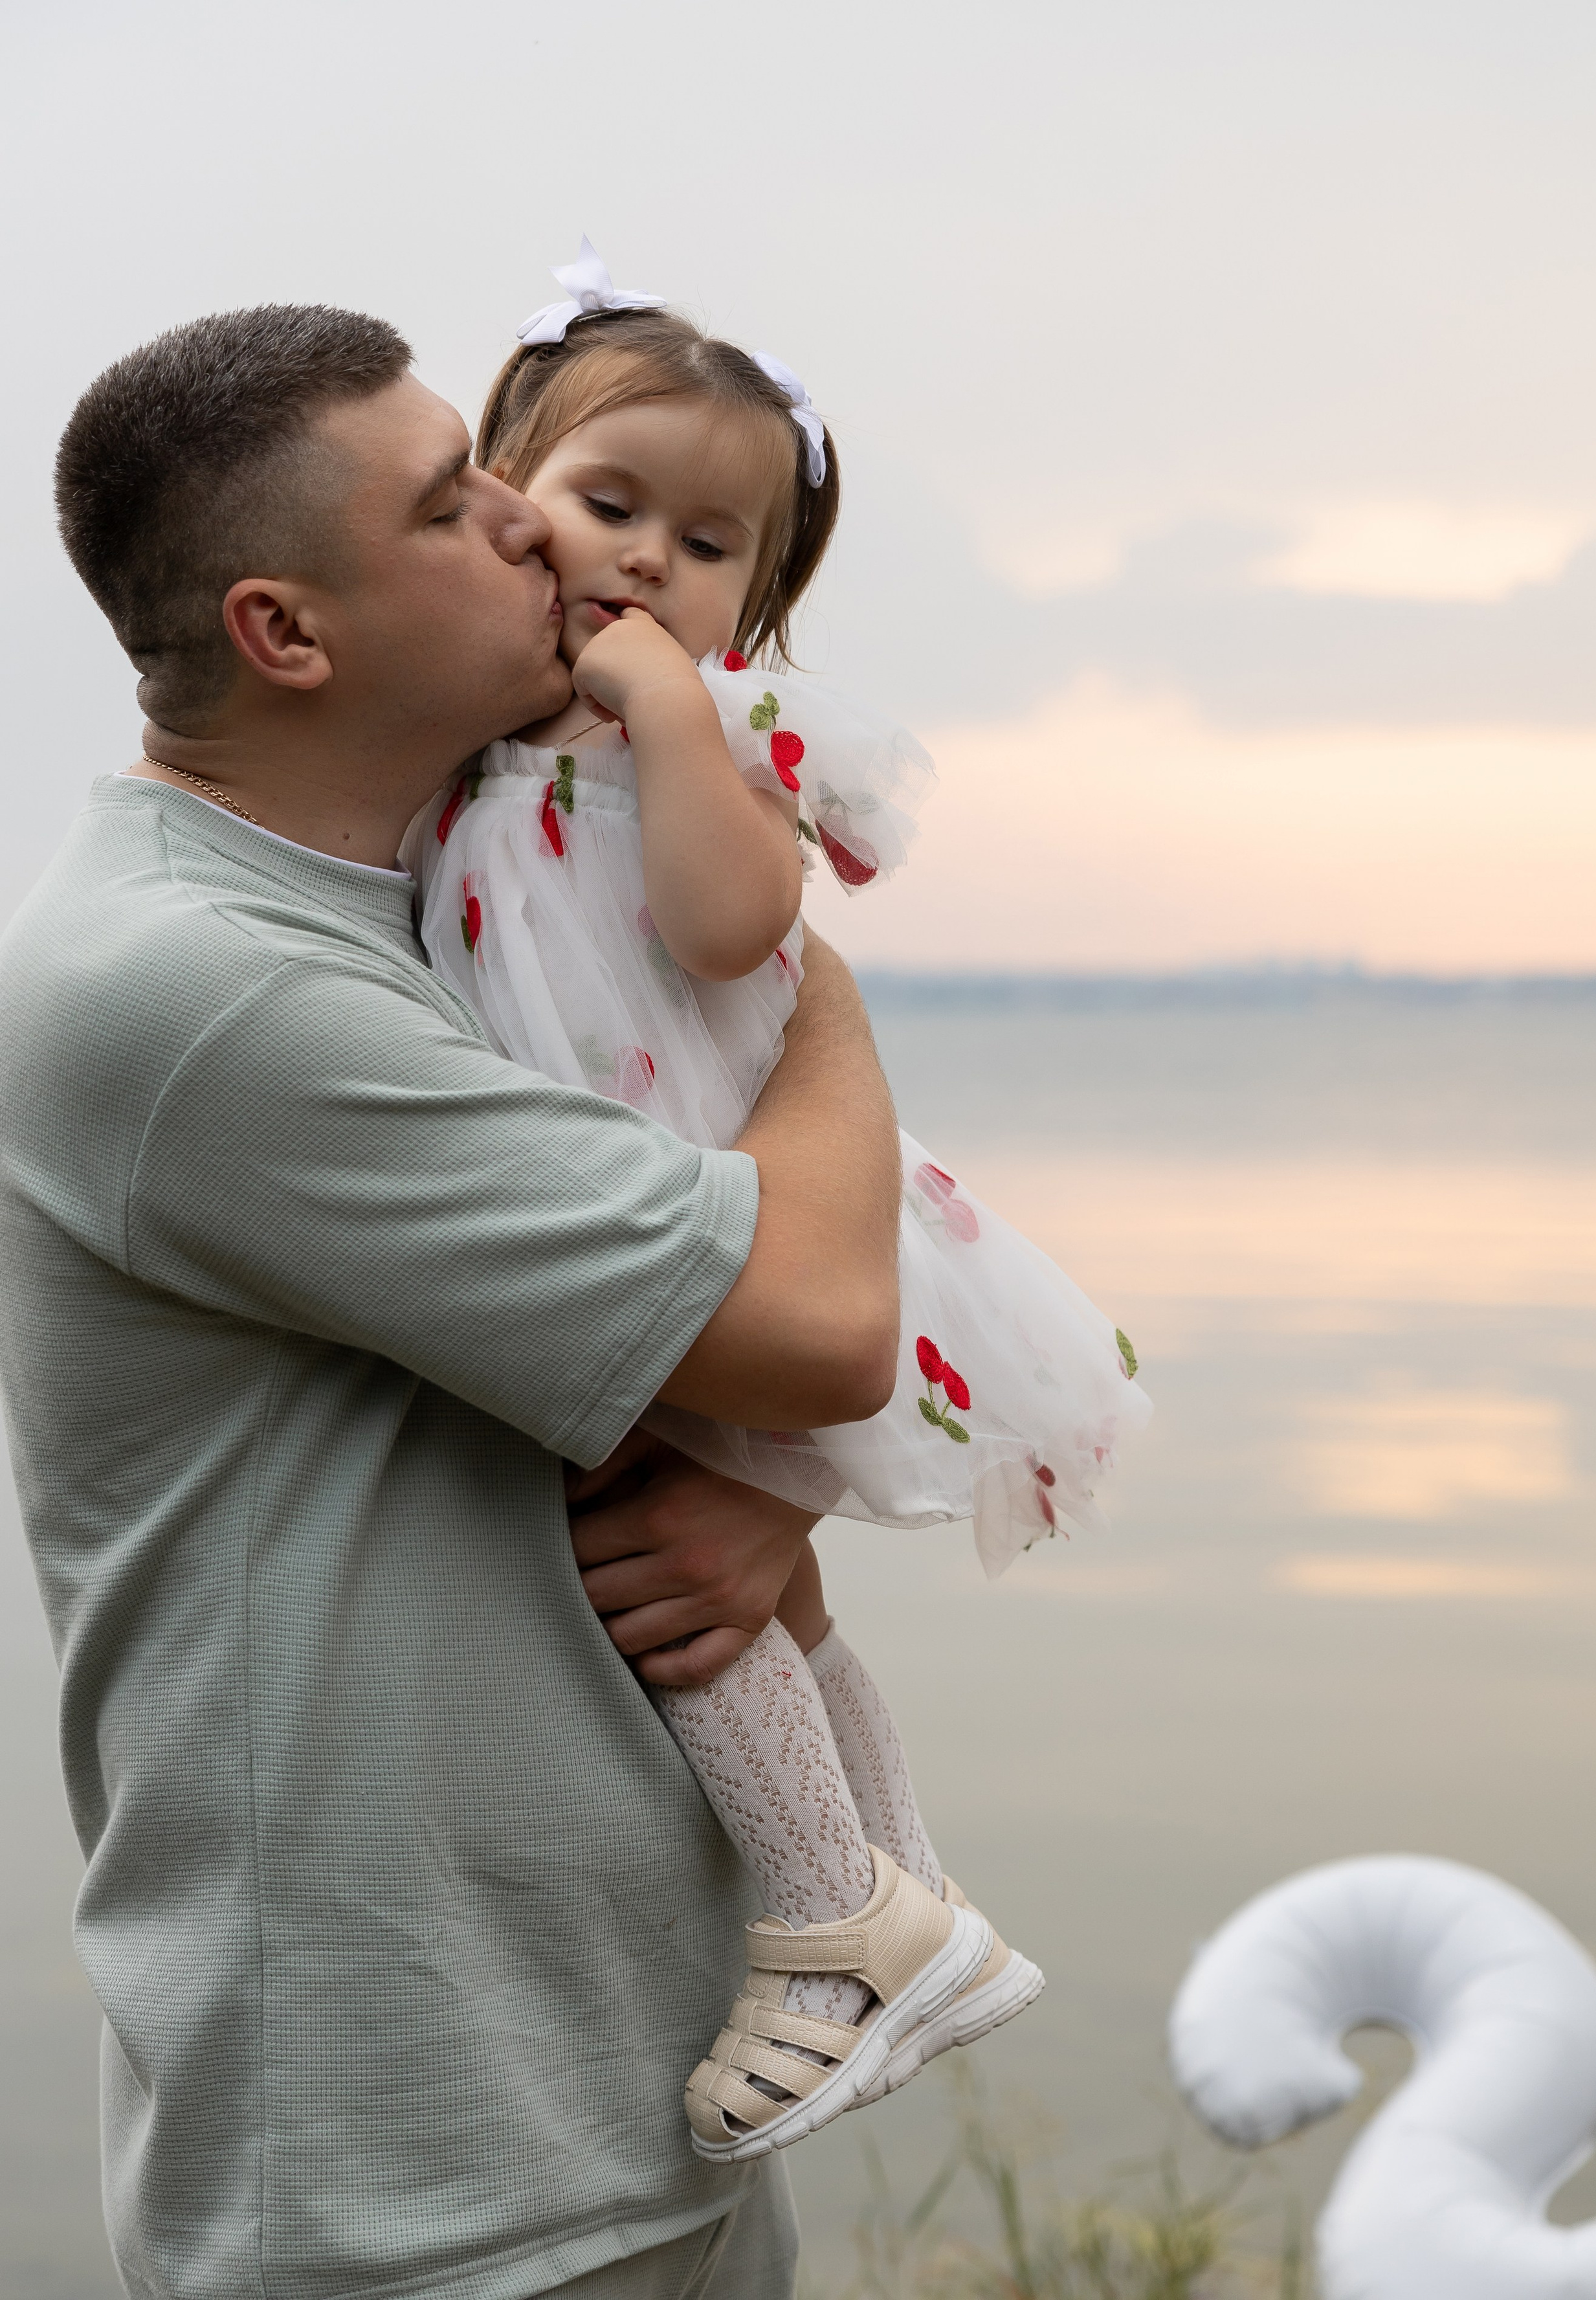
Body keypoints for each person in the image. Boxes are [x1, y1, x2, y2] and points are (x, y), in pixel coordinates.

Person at [0, 303, 916, 2300]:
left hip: (637, 2082)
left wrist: (784, 1490)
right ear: (286, 632)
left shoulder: (436, 900)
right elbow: (827, 1316)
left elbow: (712, 1319)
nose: (527, 523)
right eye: (453, 502)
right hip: (417, 2185)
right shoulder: (193, 990)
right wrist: (816, 987)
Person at [410, 249, 1153, 2162]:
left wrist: (668, 707)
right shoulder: (475, 751)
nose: (650, 561)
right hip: (630, 1190)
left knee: (667, 1551)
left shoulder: (717, 742)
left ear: (763, 602)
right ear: (506, 501)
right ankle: (905, 1900)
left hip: (718, 1196)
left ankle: (831, 1925)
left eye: (713, 543)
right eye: (608, 505)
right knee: (766, 1580)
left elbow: (736, 925)